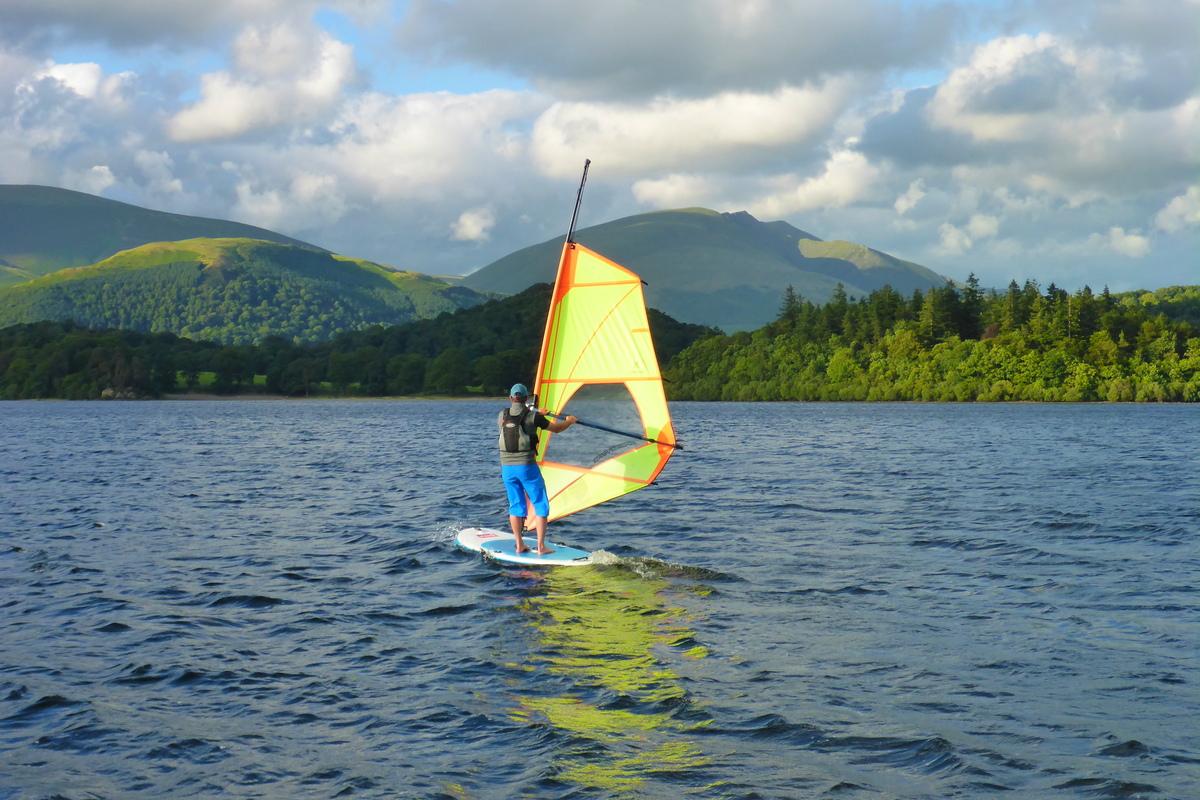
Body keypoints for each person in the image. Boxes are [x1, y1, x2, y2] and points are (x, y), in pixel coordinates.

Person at [498, 382, 577, 555]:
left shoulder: (502, 415)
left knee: (516, 505)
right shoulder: (534, 417)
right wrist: (569, 422)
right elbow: (556, 429)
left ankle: (519, 545)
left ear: (511, 398)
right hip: (526, 466)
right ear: (526, 397)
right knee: (540, 503)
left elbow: (520, 416)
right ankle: (541, 547)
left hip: (507, 468)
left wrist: (537, 413)